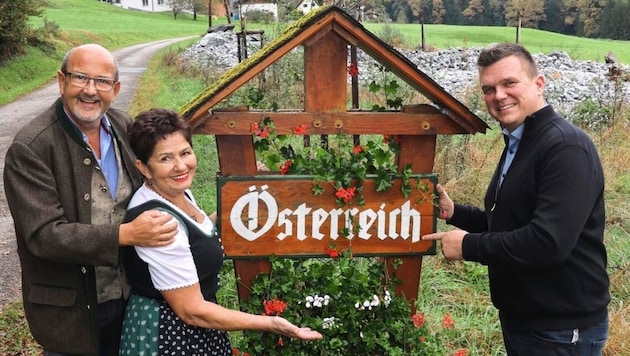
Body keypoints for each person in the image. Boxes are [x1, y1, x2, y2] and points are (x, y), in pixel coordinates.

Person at [422, 43, 610, 356]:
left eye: (509, 83)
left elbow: (548, 241)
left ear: (538, 84)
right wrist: (455, 213)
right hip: (528, 321)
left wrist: (469, 246)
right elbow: (512, 220)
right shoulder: (519, 141)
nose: (498, 96)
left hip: (561, 329)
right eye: (488, 89)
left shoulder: (564, 148)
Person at [3, 44, 178, 356]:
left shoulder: (125, 127)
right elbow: (43, 235)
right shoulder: (31, 147)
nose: (90, 90)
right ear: (61, 81)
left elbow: (158, 177)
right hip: (70, 315)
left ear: (116, 88)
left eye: (102, 81)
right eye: (81, 78)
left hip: (131, 303)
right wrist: (126, 234)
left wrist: (194, 212)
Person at [120, 108, 323, 354]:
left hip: (197, 329)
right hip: (169, 336)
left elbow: (198, 229)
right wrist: (270, 322)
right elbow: (191, 310)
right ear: (143, 167)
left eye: (185, 153)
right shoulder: (160, 223)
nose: (180, 165)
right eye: (166, 158)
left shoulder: (176, 192)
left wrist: (252, 190)